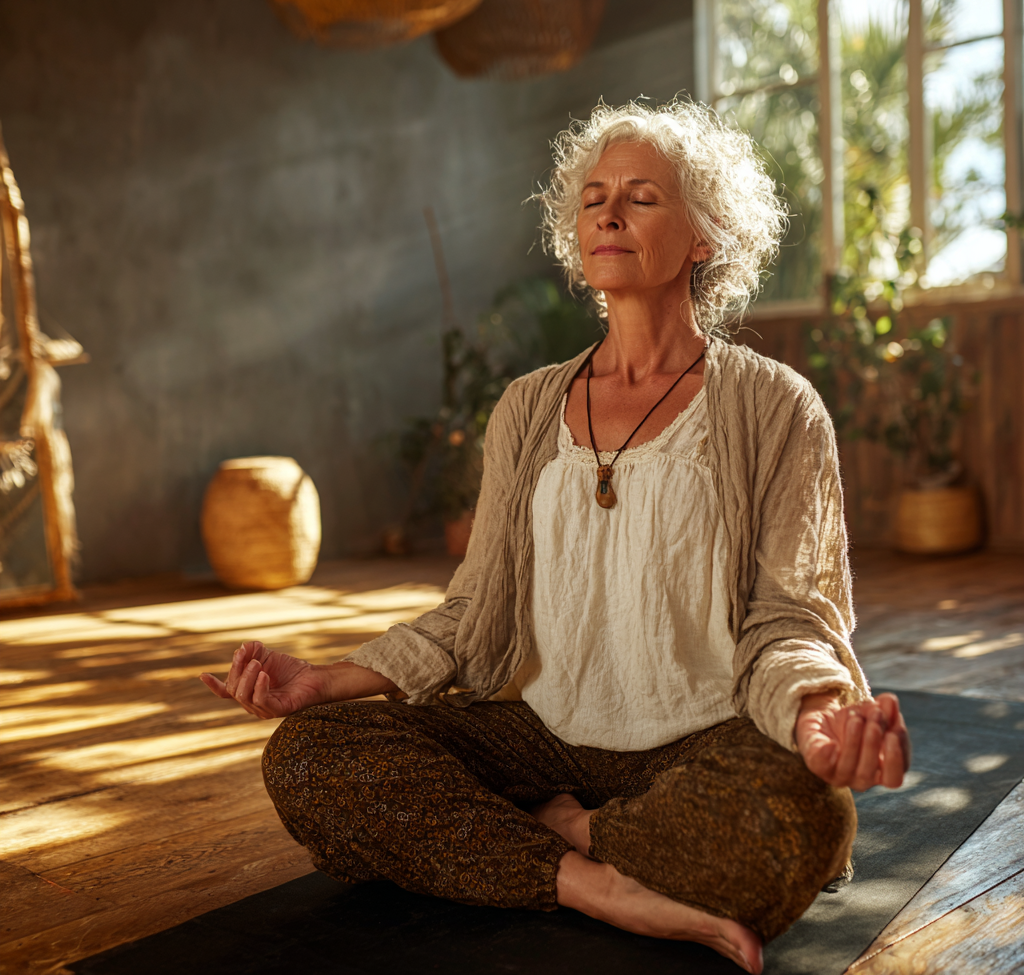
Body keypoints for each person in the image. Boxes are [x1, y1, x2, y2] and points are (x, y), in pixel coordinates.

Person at [201, 98, 910, 975]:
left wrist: (815, 724)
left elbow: (790, 615)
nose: (607, 211)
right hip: (537, 735)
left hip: (706, 736)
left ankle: (562, 833)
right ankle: (593, 883)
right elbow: (474, 612)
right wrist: (325, 679)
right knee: (310, 757)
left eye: (643, 197)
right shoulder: (529, 407)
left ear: (707, 237)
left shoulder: (776, 407)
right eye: (592, 197)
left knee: (807, 815)